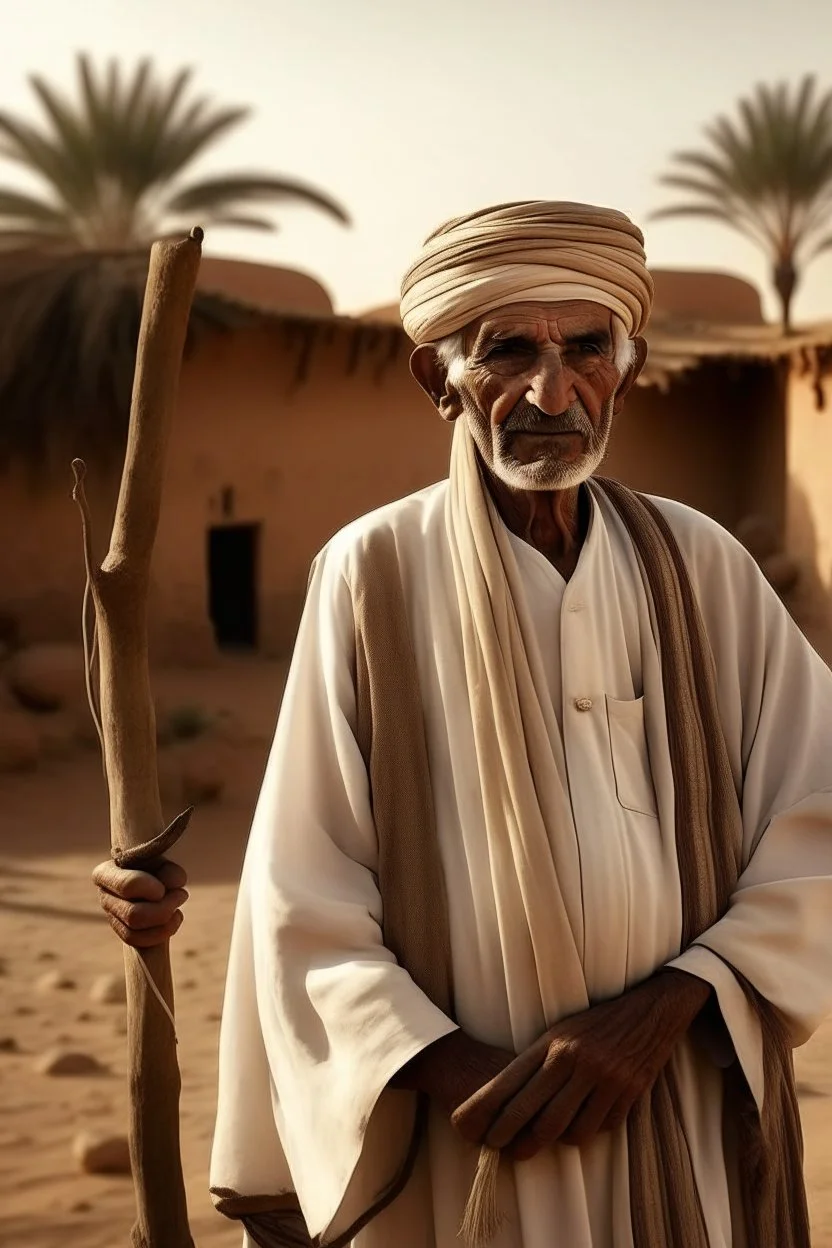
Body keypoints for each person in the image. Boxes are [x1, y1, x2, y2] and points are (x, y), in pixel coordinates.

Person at [93, 201, 832, 1248]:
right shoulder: (372, 576)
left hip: (678, 1105)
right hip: (462, 1132)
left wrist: (670, 1005)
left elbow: (817, 810)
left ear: (627, 364)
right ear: (437, 380)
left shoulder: (699, 566)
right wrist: (449, 1070)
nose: (550, 391)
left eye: (584, 349)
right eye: (507, 352)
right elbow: (303, 890)